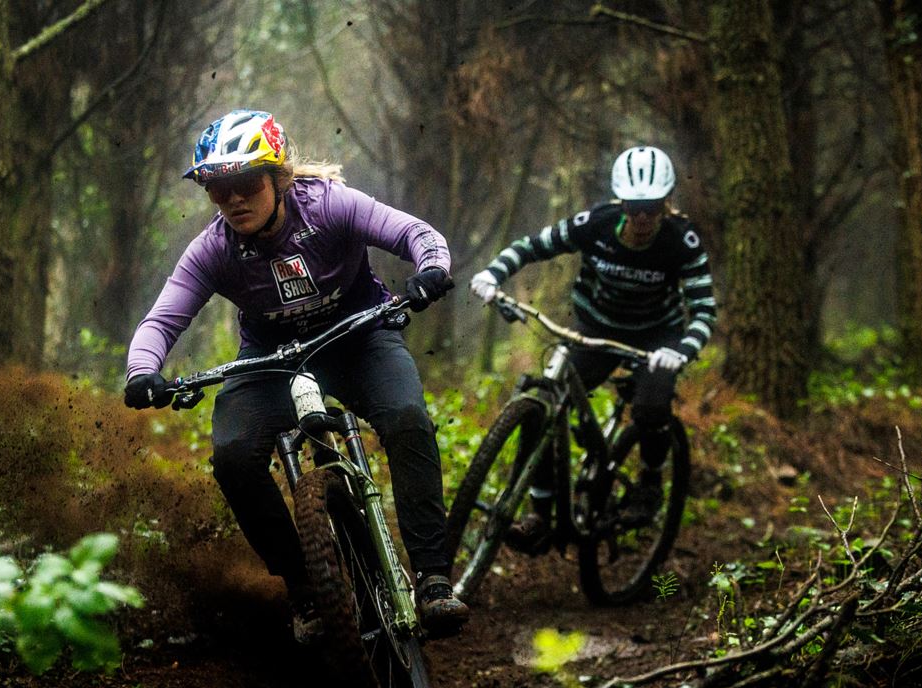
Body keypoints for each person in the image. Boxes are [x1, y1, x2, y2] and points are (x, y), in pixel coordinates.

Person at [123, 109, 469, 637]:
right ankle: (305, 587)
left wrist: (430, 268)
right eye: (218, 190)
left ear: (278, 177)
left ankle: (433, 577)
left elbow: (413, 232)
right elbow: (163, 318)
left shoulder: (329, 206)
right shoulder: (214, 249)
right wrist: (143, 370)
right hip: (271, 359)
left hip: (359, 336)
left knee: (406, 418)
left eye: (245, 182)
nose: (234, 199)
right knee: (234, 457)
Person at [469, 145, 718, 553]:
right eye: (635, 207)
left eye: (652, 208)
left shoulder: (681, 241)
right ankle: (540, 516)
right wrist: (493, 273)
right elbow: (534, 245)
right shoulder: (596, 223)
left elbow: (704, 309)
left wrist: (682, 351)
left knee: (652, 409)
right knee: (545, 400)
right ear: (621, 203)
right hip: (595, 328)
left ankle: (650, 482)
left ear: (666, 205)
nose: (642, 218)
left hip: (657, 339)